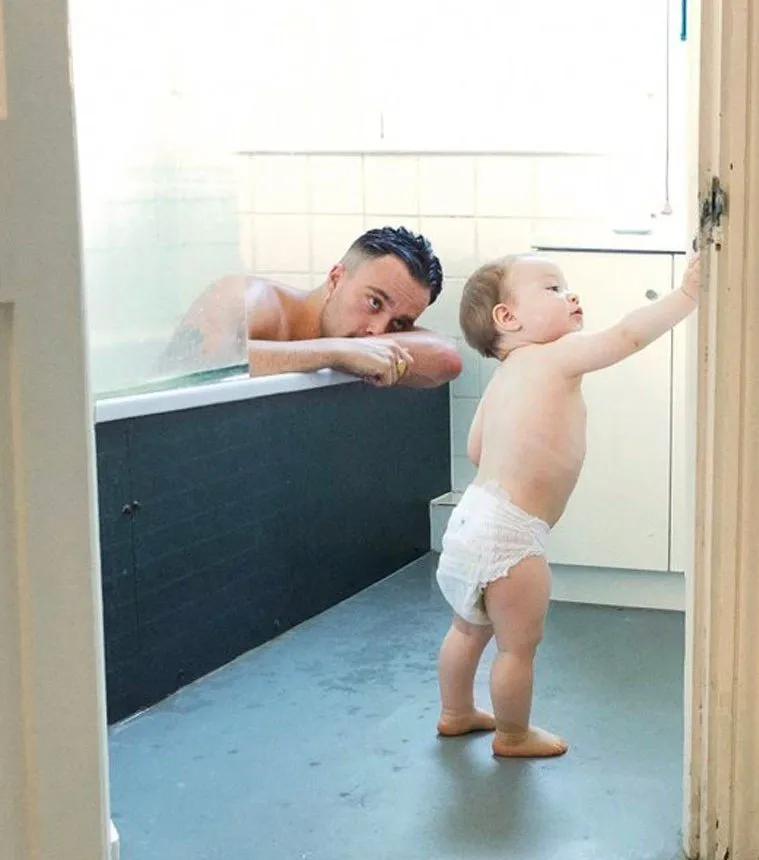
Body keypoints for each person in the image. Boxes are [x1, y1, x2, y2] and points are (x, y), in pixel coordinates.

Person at [430, 251, 701, 758]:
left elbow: (474, 448)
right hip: (512, 534)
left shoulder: (503, 376)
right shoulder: (556, 355)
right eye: (552, 288)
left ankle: (456, 711)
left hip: (472, 520)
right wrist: (686, 295)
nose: (570, 294)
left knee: (466, 630)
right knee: (517, 647)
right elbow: (625, 337)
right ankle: (513, 735)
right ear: (507, 317)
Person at [162, 226, 462, 388]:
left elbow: (447, 359)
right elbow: (198, 370)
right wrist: (334, 352)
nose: (378, 331)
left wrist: (346, 351)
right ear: (335, 279)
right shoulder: (251, 300)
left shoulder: (364, 337)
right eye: (374, 302)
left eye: (399, 323)